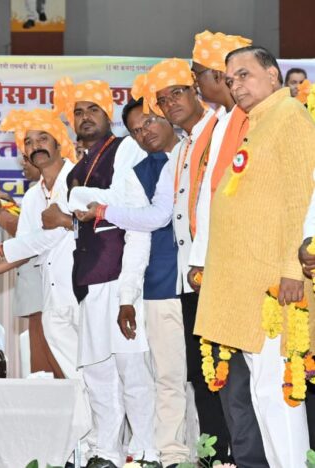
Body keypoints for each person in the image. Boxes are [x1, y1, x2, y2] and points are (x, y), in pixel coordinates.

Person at [195, 45, 314, 467]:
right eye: (230, 80)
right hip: (247, 284)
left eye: (244, 75)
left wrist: (291, 270)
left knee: (277, 390)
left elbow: (301, 199)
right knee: (262, 391)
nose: (236, 85)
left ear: (272, 74)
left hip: (274, 285)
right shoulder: (259, 123)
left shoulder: (290, 116)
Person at [135, 57, 237, 463]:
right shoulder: (182, 148)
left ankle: (234, 454)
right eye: (162, 100)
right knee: (201, 372)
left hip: (220, 271)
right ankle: (214, 453)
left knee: (230, 373)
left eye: (177, 92)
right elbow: (165, 213)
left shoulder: (222, 129)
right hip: (190, 278)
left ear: (197, 91)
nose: (170, 103)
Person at [76, 95, 186, 467]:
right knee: (120, 372)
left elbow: (149, 219)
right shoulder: (123, 169)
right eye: (137, 130)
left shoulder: (173, 155)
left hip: (160, 280)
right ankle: (127, 452)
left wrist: (101, 209)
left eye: (149, 122)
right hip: (125, 283)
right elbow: (135, 233)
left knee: (141, 371)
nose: (144, 133)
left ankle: (153, 451)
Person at [187, 31, 268, 467]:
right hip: (218, 267)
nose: (197, 82)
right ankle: (244, 457)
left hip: (251, 266)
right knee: (232, 379)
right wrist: (199, 260)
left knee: (260, 377)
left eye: (199, 74)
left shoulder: (257, 120)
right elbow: (208, 199)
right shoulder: (220, 123)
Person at [0, 135, 64, 377]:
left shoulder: (67, 185)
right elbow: (28, 237)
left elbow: (32, 240)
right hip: (39, 291)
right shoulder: (33, 194)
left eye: (26, 159)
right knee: (44, 374)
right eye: (25, 155)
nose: (25, 163)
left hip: (55, 292)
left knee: (60, 369)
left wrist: (0, 214)